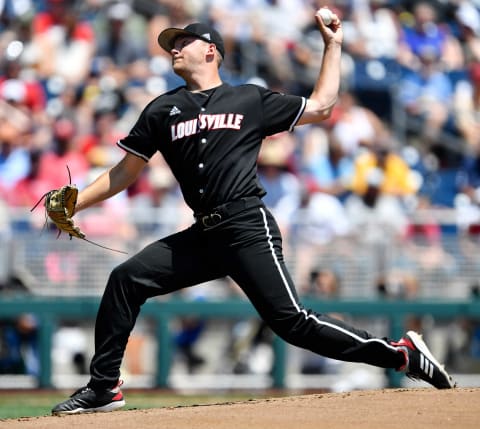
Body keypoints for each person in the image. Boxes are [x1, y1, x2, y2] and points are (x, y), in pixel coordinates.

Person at [51, 10, 455, 415]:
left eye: (182, 42)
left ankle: (401, 354)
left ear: (211, 51)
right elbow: (126, 171)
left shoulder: (248, 99)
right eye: (171, 44)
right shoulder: (162, 109)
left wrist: (333, 46)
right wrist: (75, 203)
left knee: (292, 322)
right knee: (126, 279)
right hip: (203, 234)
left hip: (246, 225)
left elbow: (321, 106)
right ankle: (104, 386)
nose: (173, 48)